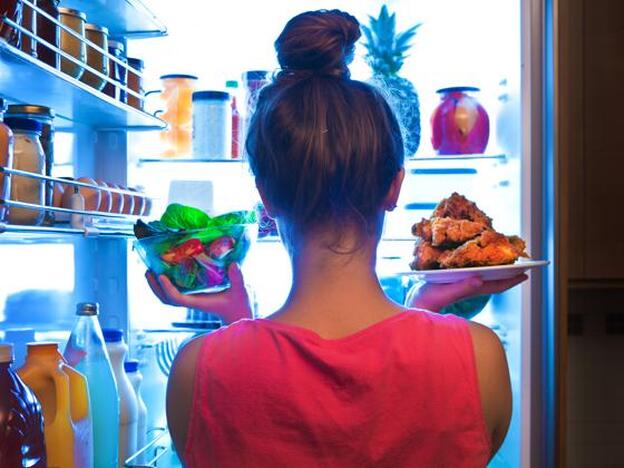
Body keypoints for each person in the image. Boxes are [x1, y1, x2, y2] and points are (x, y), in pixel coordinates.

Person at [146, 9, 525, 467]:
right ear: (394, 187)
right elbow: (392, 390)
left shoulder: (196, 371)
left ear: (265, 197)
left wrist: (238, 326)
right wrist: (422, 311)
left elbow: (260, 395)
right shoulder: (479, 357)